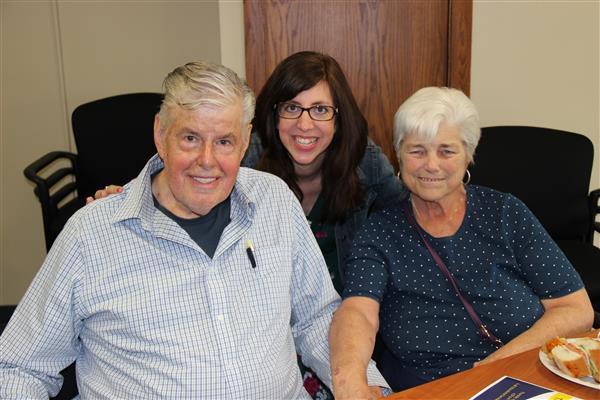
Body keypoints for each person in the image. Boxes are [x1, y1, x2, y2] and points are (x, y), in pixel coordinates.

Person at [0, 61, 389, 398]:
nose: (207, 161)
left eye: (223, 141)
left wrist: (364, 386)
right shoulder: (92, 235)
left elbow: (317, 316)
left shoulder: (275, 201)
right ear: (160, 134)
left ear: (244, 142)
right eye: (190, 138)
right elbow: (19, 368)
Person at [329, 86, 594, 397]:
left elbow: (575, 309)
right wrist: (349, 378)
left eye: (446, 150)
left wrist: (493, 369)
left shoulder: (505, 212)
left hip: (529, 380)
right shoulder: (379, 233)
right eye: (417, 150)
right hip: (434, 389)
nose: (431, 164)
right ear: (397, 153)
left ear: (469, 154)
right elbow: (357, 312)